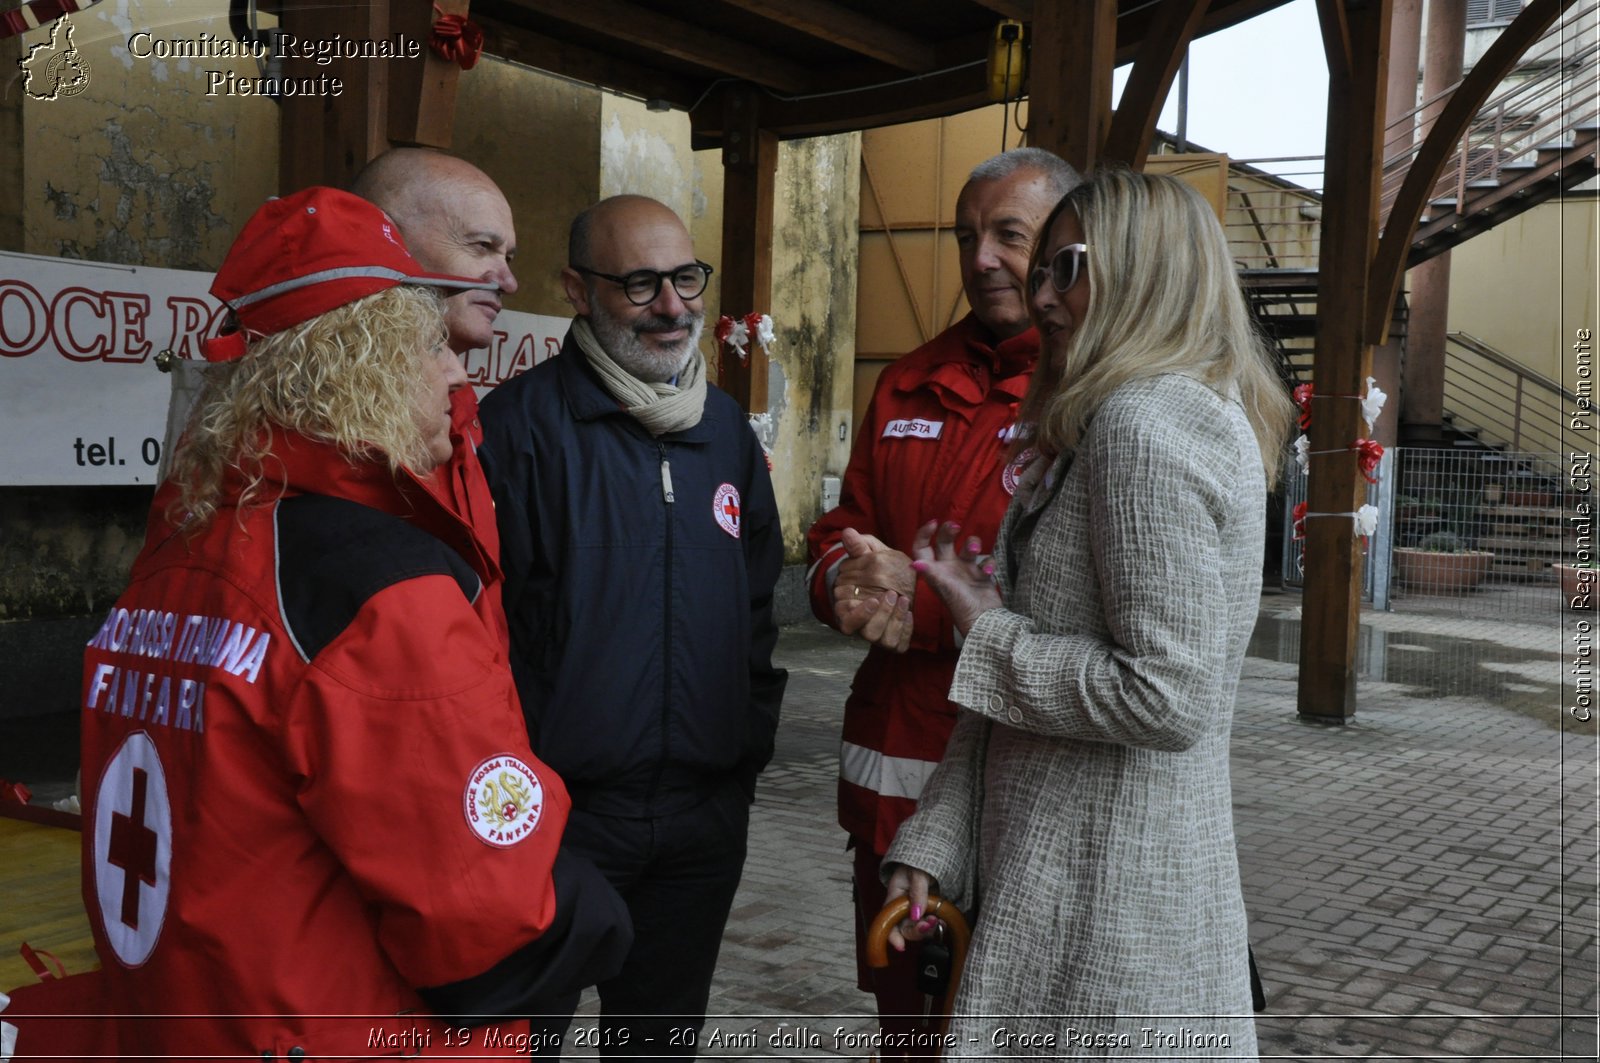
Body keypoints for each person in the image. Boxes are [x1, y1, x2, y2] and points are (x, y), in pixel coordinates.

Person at [10, 188, 630, 1060]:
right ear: (362, 362)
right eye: (432, 345)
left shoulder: (173, 558)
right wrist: (601, 911)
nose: (460, 376)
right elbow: (488, 924)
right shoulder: (376, 586)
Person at [883, 168, 1294, 1057]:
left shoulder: (1147, 423)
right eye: (1043, 273)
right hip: (1067, 891)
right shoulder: (1119, 416)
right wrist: (940, 841)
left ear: (1147, 269)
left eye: (1064, 267)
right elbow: (1028, 676)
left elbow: (1167, 695)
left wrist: (986, 624)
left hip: (1114, 920)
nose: (1040, 297)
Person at [477, 194, 787, 1057]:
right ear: (578, 290)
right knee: (520, 1041)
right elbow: (476, 637)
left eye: (686, 278)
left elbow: (759, 607)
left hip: (700, 823)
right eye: (640, 284)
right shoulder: (516, 430)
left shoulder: (725, 432)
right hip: (559, 824)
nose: (675, 306)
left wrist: (740, 761)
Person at [803, 147, 1080, 1049]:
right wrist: (841, 582)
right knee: (908, 1030)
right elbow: (844, 527)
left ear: (1069, 245)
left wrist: (920, 610)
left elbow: (1076, 606)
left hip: (1019, 786)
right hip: (893, 782)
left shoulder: (1093, 400)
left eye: (1009, 234)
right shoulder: (908, 379)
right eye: (969, 236)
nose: (981, 258)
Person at [350, 148, 519, 646]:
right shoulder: (313, 417)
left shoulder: (461, 415)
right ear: (385, 237)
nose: (509, 280)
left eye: (508, 256)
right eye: (482, 246)